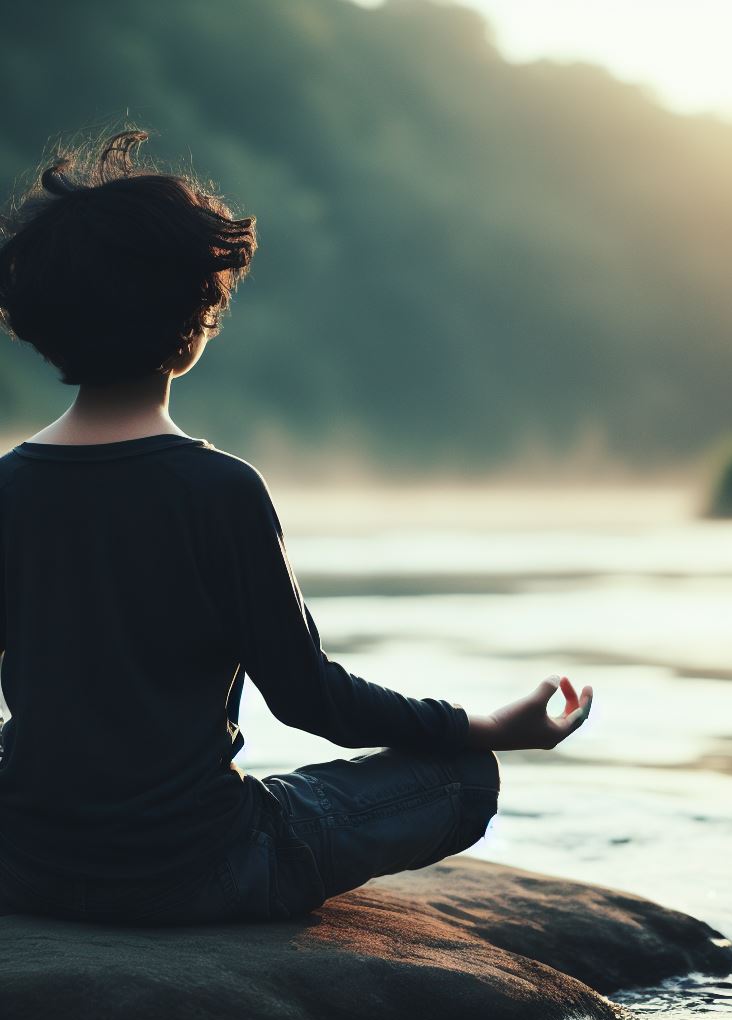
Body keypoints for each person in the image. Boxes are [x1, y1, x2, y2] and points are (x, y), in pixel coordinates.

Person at [0, 126, 593, 925]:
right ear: (196, 318)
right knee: (464, 777)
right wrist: (484, 725)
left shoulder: (8, 487)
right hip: (200, 873)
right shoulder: (219, 489)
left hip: (27, 870)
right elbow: (309, 697)